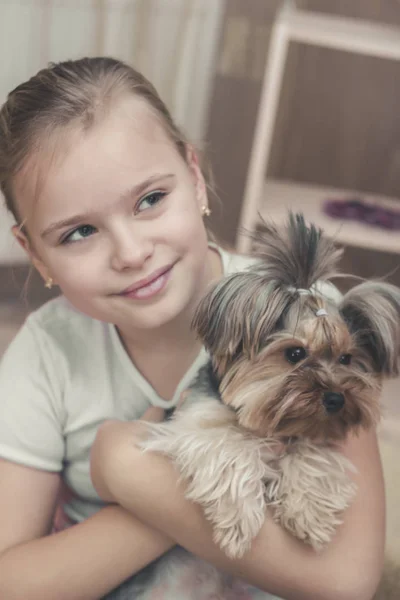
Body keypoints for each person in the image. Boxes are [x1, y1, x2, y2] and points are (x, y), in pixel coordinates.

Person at [0, 57, 384, 600]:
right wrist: (173, 494)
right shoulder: (46, 355)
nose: (132, 253)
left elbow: (347, 581)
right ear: (34, 253)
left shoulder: (310, 318)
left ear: (196, 177)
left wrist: (134, 473)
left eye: (150, 200)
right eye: (79, 232)